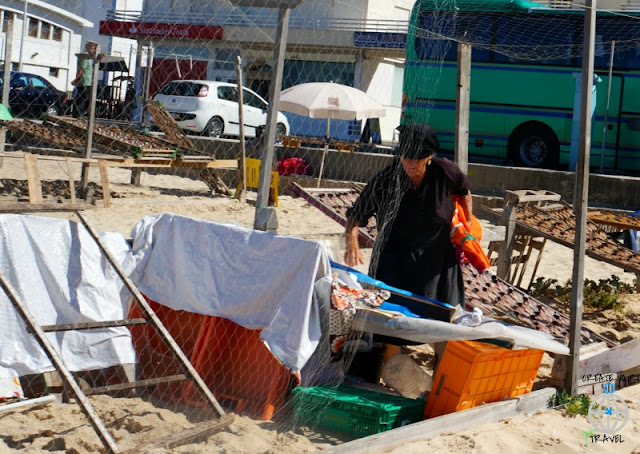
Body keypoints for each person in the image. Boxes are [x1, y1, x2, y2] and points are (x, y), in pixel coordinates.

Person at [343, 123, 473, 318]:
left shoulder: (446, 172)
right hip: (395, 256)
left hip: (437, 256)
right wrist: (351, 241)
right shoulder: (386, 179)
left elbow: (464, 193)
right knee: (391, 314)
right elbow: (357, 214)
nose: (410, 164)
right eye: (406, 158)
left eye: (417, 159)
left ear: (429, 157)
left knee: (441, 314)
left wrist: (467, 225)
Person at [71, 41, 98, 118]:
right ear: (88, 47)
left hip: (88, 82)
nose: (94, 50)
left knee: (86, 100)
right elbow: (81, 69)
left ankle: (80, 115)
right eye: (93, 48)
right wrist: (76, 80)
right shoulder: (85, 56)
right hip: (84, 82)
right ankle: (77, 116)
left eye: (94, 48)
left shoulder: (90, 56)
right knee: (82, 100)